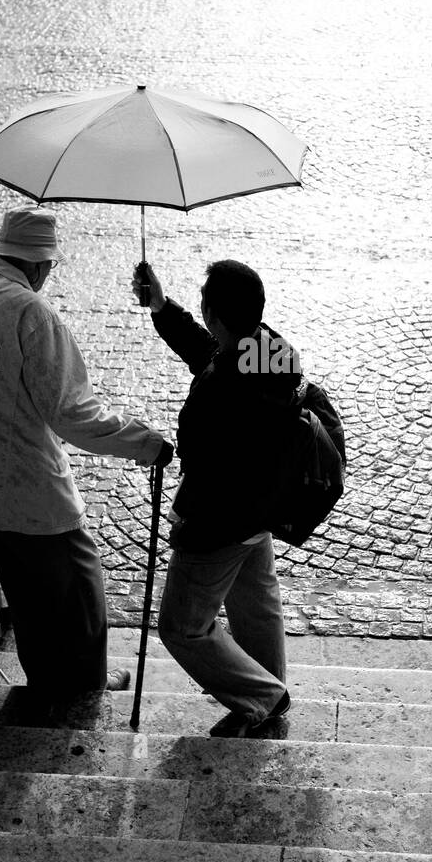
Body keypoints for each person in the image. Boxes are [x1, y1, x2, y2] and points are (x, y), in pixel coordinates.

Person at [0, 207, 173, 722]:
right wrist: (147, 444)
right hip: (28, 489)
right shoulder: (32, 313)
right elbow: (73, 414)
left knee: (28, 594)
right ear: (42, 267)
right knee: (80, 590)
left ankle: (47, 686)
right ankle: (82, 692)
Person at [133, 258, 297, 738]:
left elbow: (207, 474)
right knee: (254, 603)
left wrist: (183, 520)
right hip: (259, 512)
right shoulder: (271, 351)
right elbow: (209, 353)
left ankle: (264, 696)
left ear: (213, 315)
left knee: (182, 626)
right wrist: (162, 307)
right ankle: (267, 689)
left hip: (221, 524)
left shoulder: (218, 393)